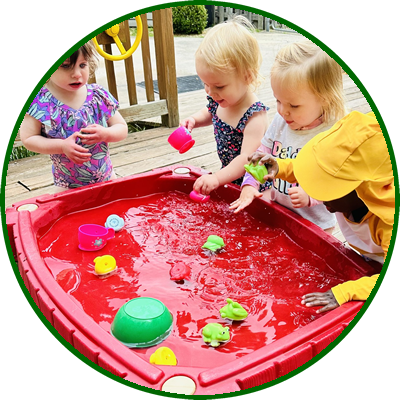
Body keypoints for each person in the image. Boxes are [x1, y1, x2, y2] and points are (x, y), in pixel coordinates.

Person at [247, 111, 394, 313]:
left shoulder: (388, 223)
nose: (319, 196)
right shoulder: (352, 195)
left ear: (362, 190)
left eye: (327, 190)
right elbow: (309, 170)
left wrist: (346, 292)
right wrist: (279, 166)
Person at [230, 40, 347, 233]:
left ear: (325, 98)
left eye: (293, 106)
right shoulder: (280, 120)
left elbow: (339, 183)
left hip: (316, 225)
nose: (283, 111)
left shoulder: (332, 132)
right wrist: (250, 185)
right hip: (281, 211)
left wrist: (311, 195)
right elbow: (261, 156)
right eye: (278, 100)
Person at [20, 41, 128, 190]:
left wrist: (106, 133)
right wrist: (62, 146)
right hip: (67, 186)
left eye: (82, 65)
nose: (77, 74)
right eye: (65, 66)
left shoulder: (97, 95)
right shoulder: (41, 102)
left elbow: (121, 127)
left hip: (106, 178)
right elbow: (28, 139)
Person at [180, 16, 269, 194]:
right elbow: (211, 112)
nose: (210, 92)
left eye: (219, 86)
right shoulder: (220, 99)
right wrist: (194, 120)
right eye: (205, 84)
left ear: (248, 76)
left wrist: (217, 178)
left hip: (254, 186)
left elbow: (246, 159)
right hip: (229, 176)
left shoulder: (254, 116)